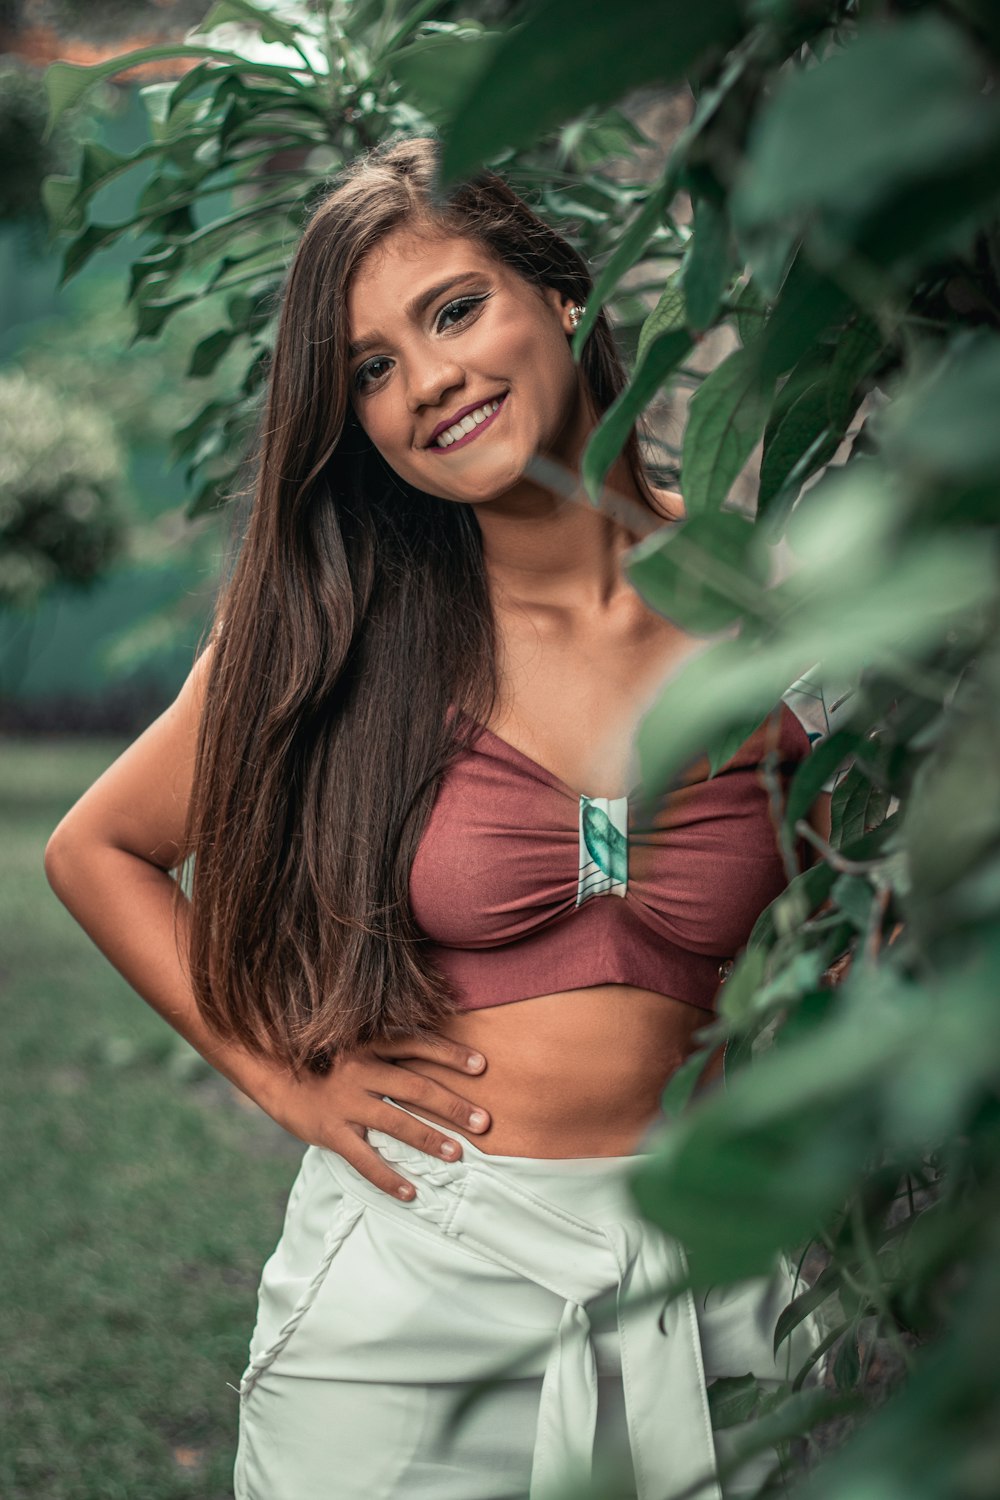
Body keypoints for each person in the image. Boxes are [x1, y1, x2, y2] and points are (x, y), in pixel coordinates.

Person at [44, 134, 839, 1500]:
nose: (430, 383)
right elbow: (98, 850)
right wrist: (285, 1080)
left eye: (455, 309)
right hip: (418, 1284)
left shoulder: (777, 604)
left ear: (563, 298)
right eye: (370, 369)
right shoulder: (339, 627)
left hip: (718, 1276)